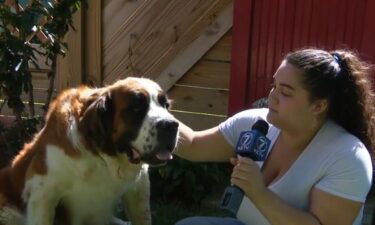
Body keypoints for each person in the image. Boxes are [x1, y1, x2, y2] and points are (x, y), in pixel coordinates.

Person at [174, 48, 375, 225]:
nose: (272, 96)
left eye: (285, 92)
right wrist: (150, 112)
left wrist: (258, 192)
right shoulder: (253, 123)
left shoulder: (348, 157)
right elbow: (193, 145)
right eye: (274, 86)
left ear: (318, 106)